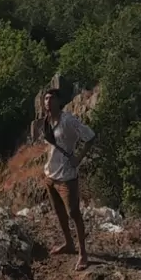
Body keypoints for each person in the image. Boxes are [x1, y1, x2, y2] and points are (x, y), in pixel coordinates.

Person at [40, 88, 95, 270]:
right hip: (50, 175)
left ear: (59, 101)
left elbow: (90, 136)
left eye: (51, 98)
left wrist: (78, 158)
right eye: (45, 98)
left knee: (74, 214)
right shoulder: (46, 121)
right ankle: (68, 244)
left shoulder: (68, 120)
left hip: (66, 177)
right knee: (59, 213)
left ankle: (83, 254)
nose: (47, 101)